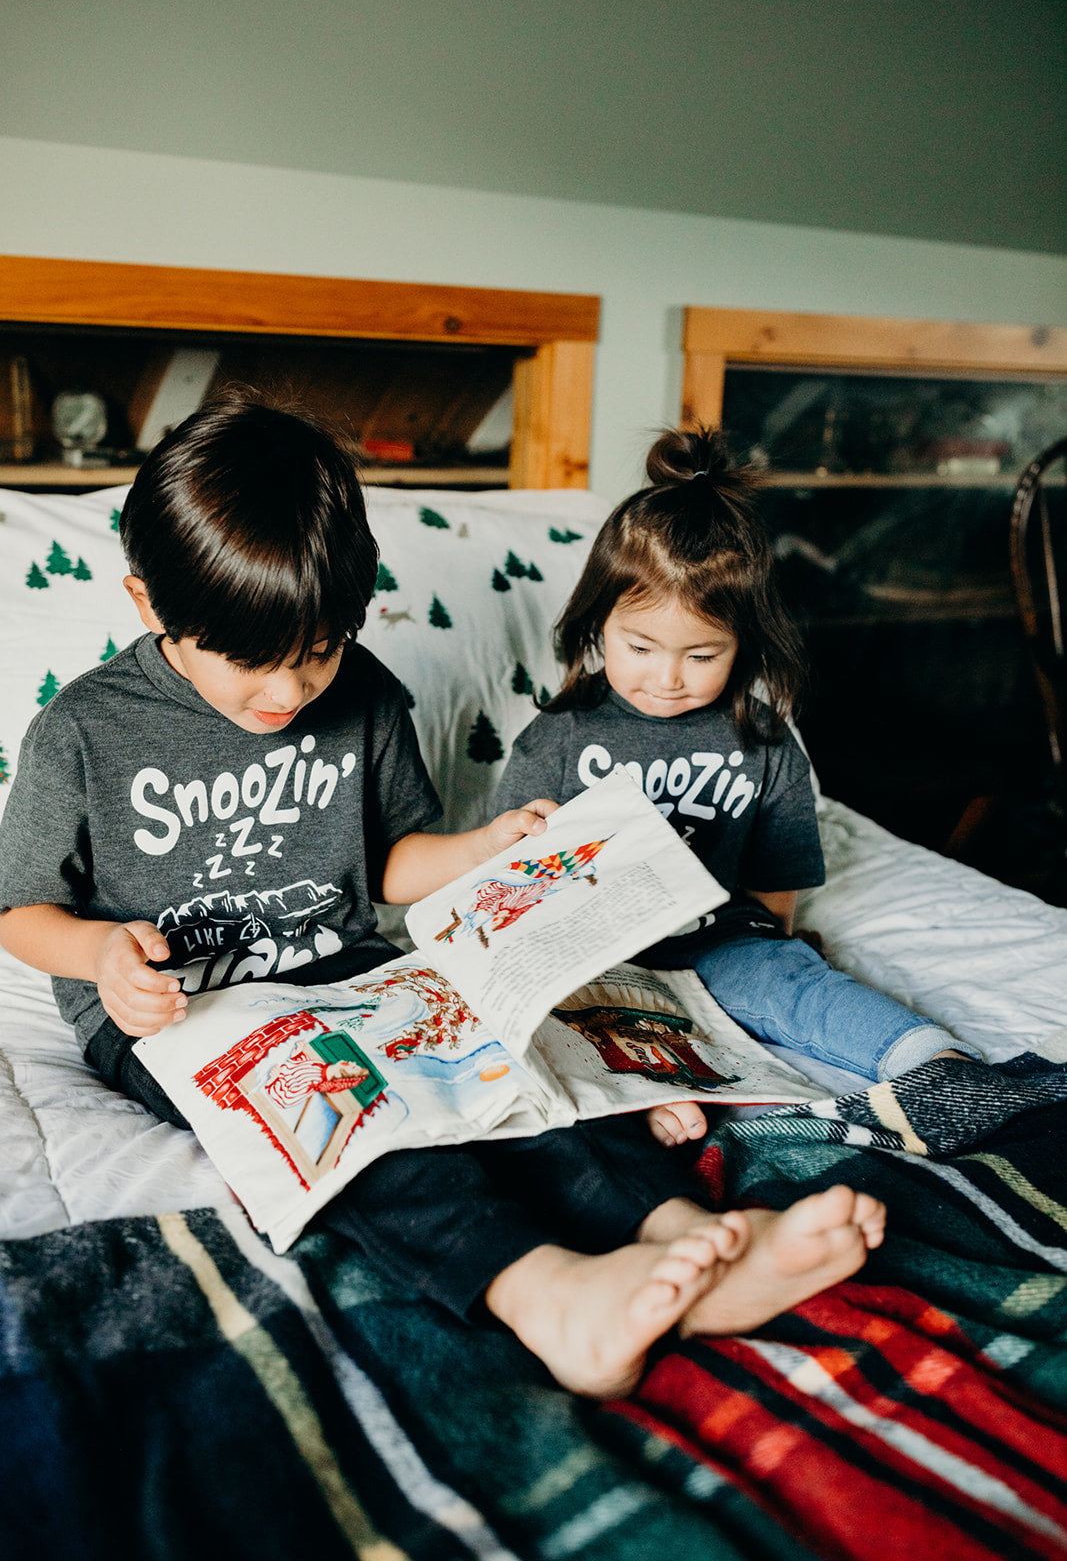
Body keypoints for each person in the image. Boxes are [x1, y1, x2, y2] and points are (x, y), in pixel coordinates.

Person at [0, 398, 885, 1400]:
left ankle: (687, 1237)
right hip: (182, 1015)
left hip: (345, 968)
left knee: (515, 1066)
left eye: (319, 651)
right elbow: (18, 910)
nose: (287, 697)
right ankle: (546, 1294)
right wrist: (102, 957)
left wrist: (481, 849)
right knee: (368, 1128)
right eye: (250, 665)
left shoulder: (365, 694)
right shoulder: (84, 729)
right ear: (149, 604)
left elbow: (387, 866)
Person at [496, 425, 981, 1150]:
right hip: (593, 953)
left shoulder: (761, 739)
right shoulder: (559, 735)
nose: (667, 678)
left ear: (742, 644)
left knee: (790, 984)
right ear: (600, 622)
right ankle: (649, 1097)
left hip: (718, 939)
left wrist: (768, 952)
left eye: (701, 654)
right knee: (548, 1017)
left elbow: (776, 887)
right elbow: (511, 884)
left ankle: (940, 1066)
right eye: (639, 648)